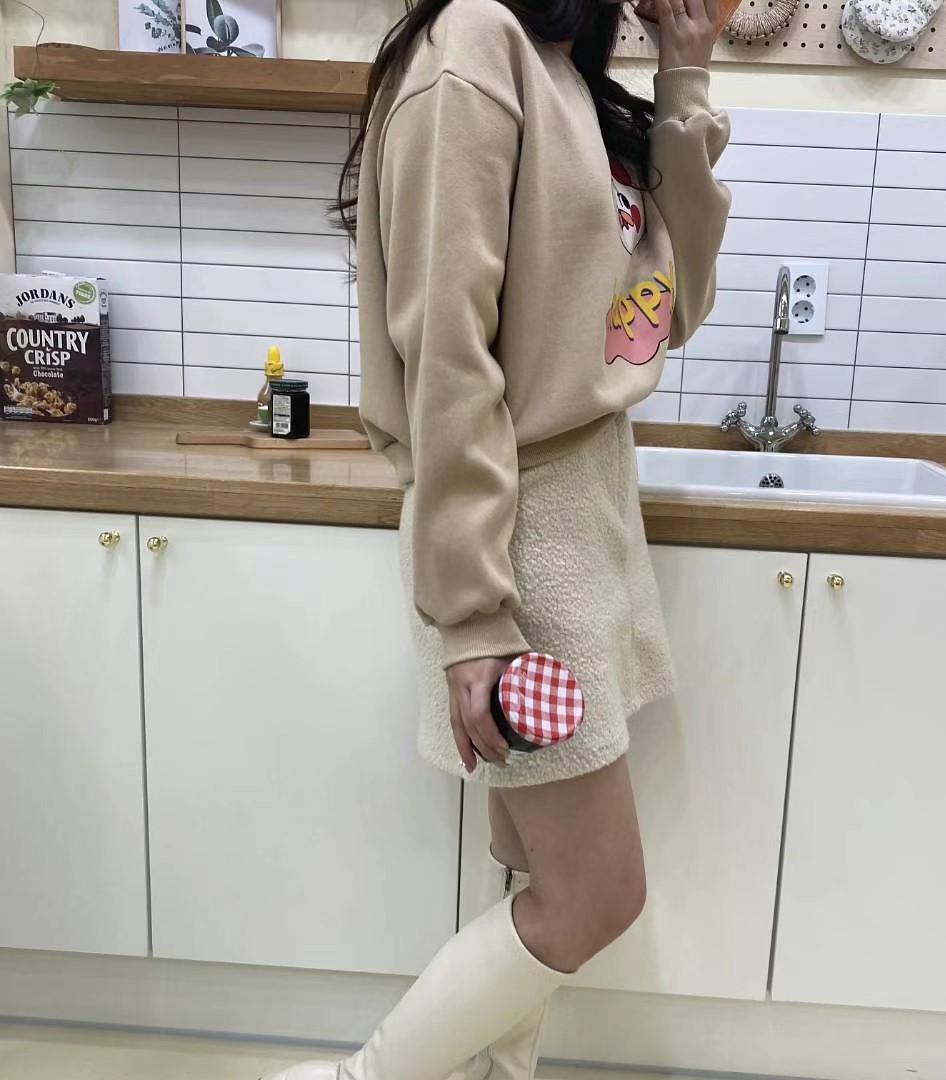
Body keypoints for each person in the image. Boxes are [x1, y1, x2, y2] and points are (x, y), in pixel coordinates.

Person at [264, 0, 732, 1077]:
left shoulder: (564, 73)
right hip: (526, 522)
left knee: (537, 869)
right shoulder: (476, 43)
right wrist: (474, 610)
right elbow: (446, 348)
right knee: (596, 895)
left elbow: (670, 309)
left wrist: (686, 74)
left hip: (587, 509)